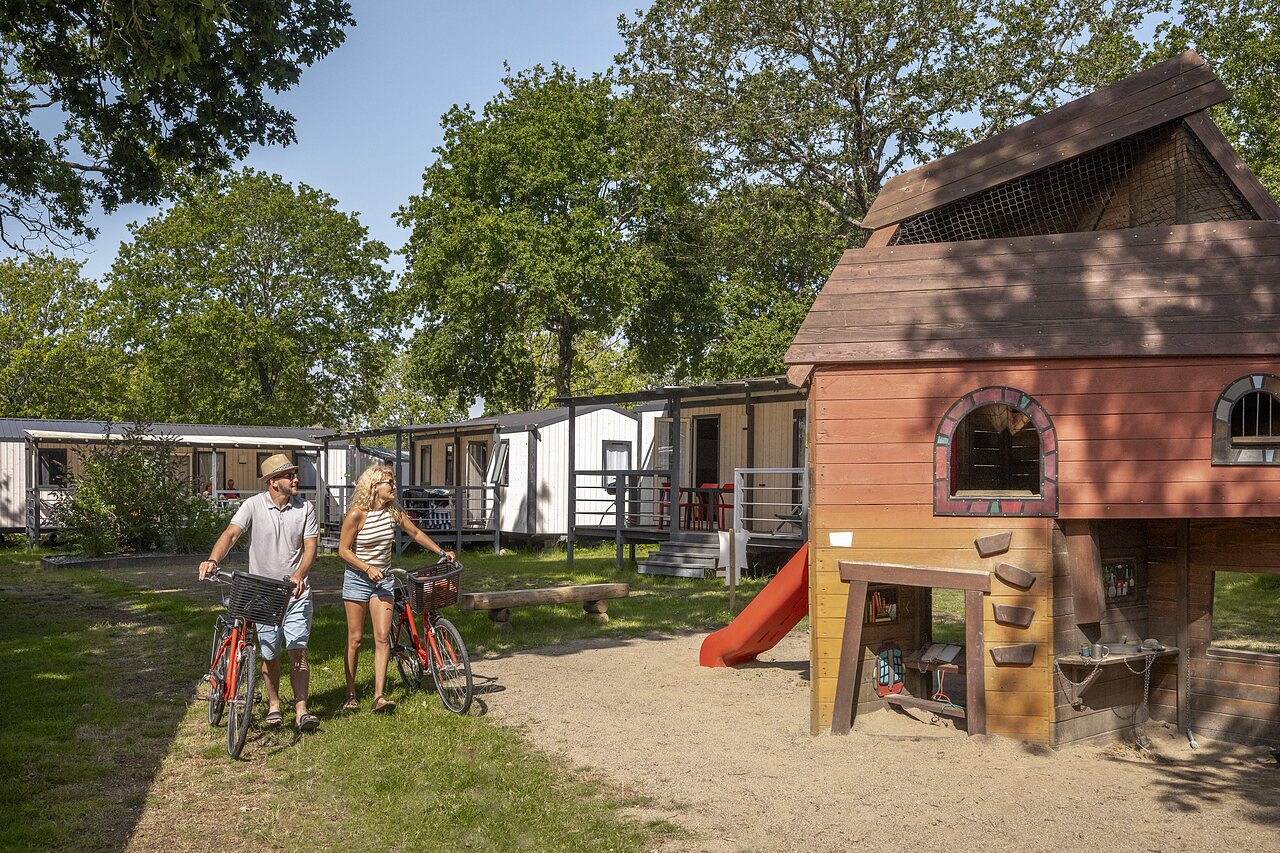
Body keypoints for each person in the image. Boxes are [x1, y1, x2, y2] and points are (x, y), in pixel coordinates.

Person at [198, 453, 320, 732]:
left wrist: (299, 575)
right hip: (263, 593)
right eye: (290, 475)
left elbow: (311, 547)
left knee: (297, 650)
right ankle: (274, 705)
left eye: (294, 474)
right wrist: (213, 560)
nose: (296, 479)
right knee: (269, 653)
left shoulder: (306, 508)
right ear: (273, 481)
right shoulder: (252, 505)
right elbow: (231, 534)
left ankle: (302, 710)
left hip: (295, 591)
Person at [338, 464, 455, 713]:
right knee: (356, 639)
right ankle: (350, 693)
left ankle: (379, 696)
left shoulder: (394, 511)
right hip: (358, 579)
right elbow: (343, 550)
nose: (393, 486)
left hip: (384, 580)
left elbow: (414, 532)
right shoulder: (357, 514)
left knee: (382, 638)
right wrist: (367, 567)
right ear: (374, 486)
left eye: (393, 481)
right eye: (388, 482)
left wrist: (441, 552)